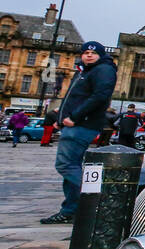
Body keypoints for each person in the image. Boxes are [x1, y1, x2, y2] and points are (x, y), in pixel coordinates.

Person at [41, 41, 118, 224]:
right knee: (72, 166)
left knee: (66, 165)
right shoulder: (86, 71)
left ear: (101, 55)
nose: (88, 55)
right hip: (73, 124)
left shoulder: (103, 70)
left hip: (82, 125)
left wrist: (74, 117)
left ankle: (98, 198)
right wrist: (61, 120)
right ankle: (71, 210)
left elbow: (99, 97)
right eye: (85, 52)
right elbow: (71, 98)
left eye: (93, 52)